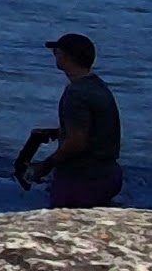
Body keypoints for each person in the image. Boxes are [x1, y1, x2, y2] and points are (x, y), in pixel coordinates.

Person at [16, 34, 123, 208]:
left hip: (82, 179)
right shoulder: (98, 86)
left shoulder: (76, 94)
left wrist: (45, 165)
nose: (55, 55)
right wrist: (58, 133)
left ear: (66, 56)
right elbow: (97, 130)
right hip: (107, 174)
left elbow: (77, 142)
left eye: (56, 52)